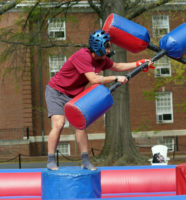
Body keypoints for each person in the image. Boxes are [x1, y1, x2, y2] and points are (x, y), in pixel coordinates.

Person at [45, 30, 153, 170]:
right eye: (107, 46)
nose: (109, 50)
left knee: (80, 125)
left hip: (75, 94)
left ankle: (85, 161)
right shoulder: (82, 56)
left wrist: (139, 63)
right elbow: (94, 80)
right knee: (59, 124)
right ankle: (51, 160)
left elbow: (118, 66)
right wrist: (115, 78)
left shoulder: (102, 60)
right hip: (57, 91)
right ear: (99, 46)